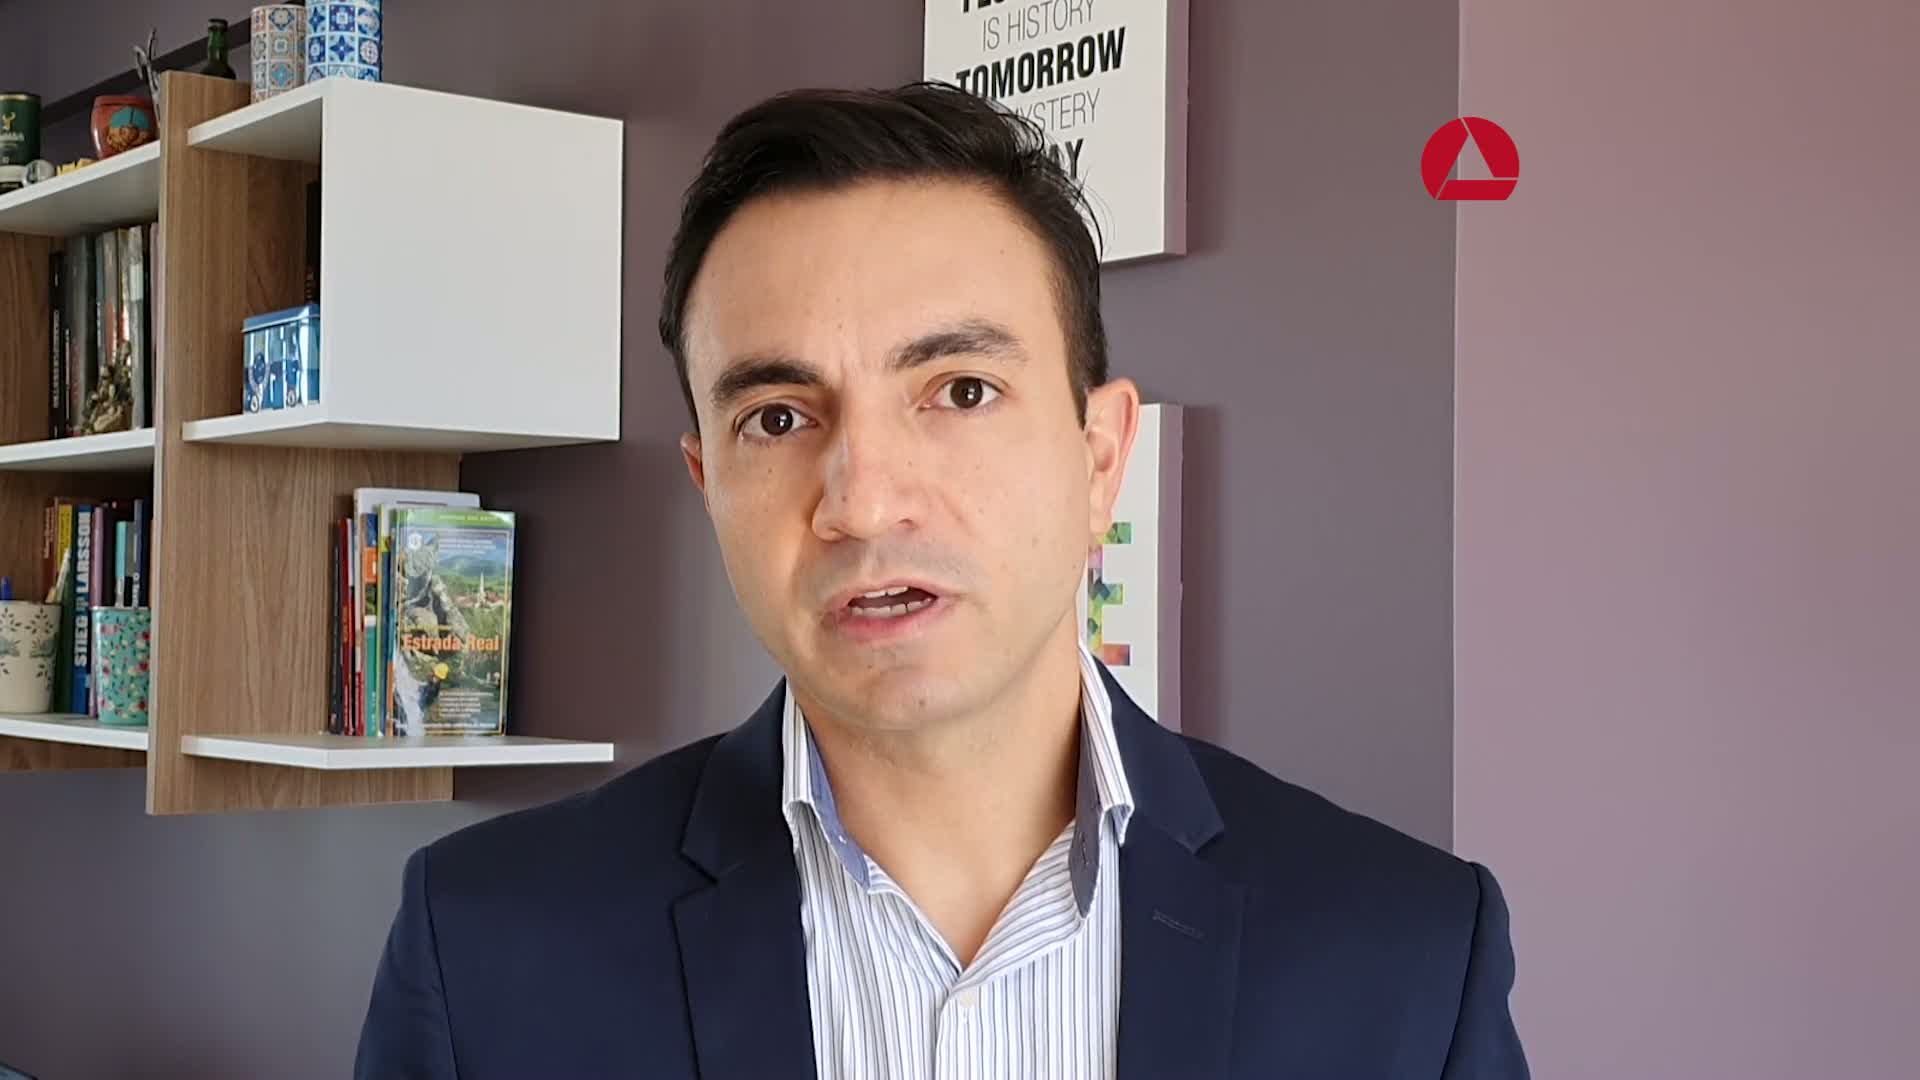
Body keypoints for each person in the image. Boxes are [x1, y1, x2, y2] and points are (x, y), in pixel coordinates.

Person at [353, 82, 1530, 1079]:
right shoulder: (484, 950)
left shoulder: (1410, 955)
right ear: (708, 482)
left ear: (1099, 458)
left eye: (962, 391)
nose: (864, 503)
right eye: (778, 417)